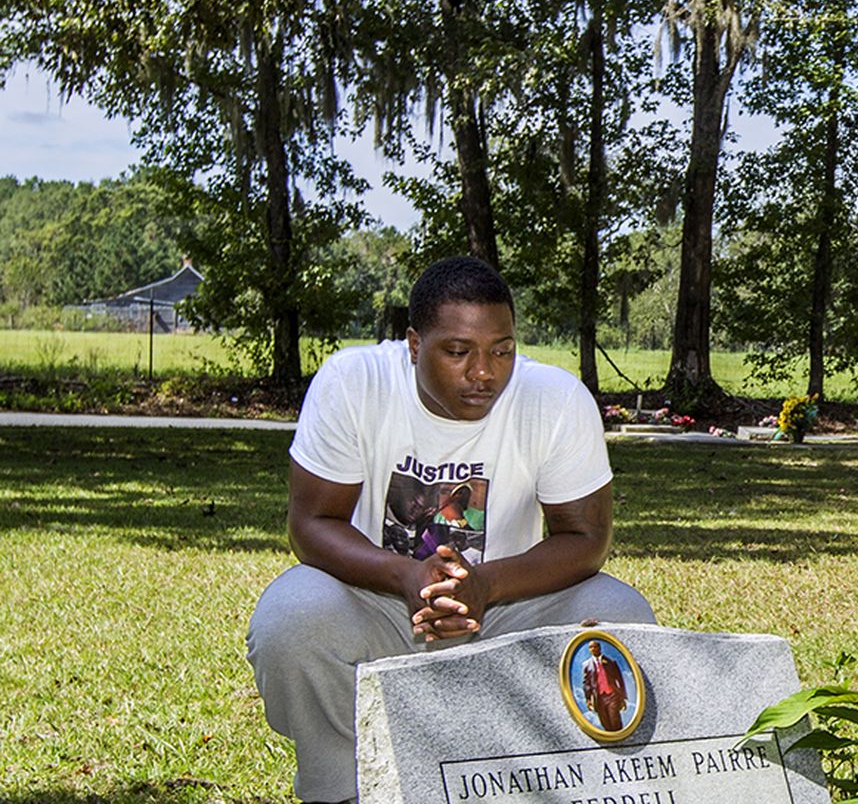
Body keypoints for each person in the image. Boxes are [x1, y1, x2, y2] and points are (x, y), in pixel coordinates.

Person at [247, 255, 655, 802]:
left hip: (507, 607)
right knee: (292, 617)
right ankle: (344, 789)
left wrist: (484, 586)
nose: (484, 372)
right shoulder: (354, 383)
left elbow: (586, 539)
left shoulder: (555, 399)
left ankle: (567, 786)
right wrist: (405, 575)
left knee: (623, 615)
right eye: (459, 352)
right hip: (382, 601)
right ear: (415, 345)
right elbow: (311, 525)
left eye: (502, 350)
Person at [580, 639, 629, 732]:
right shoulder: (586, 665)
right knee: (605, 721)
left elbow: (620, 681)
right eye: (591, 647)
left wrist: (623, 697)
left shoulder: (611, 662)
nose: (593, 649)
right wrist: (588, 699)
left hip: (612, 695)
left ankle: (619, 737)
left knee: (614, 718)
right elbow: (586, 683)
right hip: (599, 698)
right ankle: (612, 740)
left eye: (595, 646)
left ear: (599, 648)